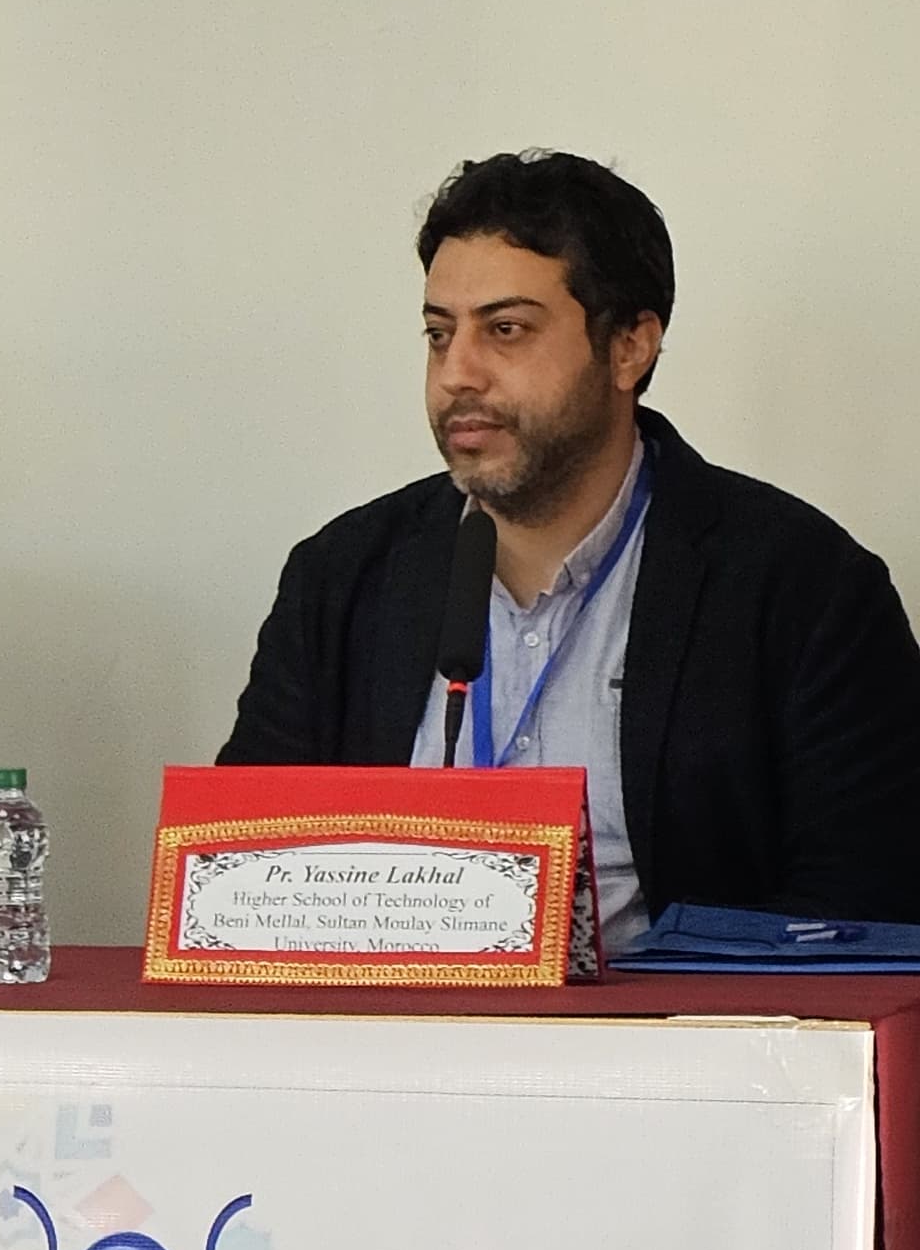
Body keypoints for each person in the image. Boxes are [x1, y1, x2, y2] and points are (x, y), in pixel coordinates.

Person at [220, 151, 920, 945]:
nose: (456, 374)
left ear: (629, 348)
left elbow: (866, 897)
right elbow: (243, 867)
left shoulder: (804, 586)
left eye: (506, 330)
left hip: (676, 1020)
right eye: (439, 334)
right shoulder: (343, 575)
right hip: (399, 1014)